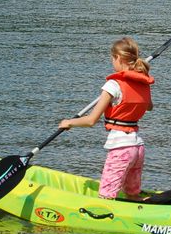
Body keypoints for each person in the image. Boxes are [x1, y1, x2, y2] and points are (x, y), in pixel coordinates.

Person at [59, 37, 154, 200]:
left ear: (118, 58)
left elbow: (91, 120)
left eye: (112, 58)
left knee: (106, 197)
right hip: (138, 147)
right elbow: (149, 106)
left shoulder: (113, 85)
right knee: (133, 195)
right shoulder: (143, 83)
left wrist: (69, 122)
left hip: (121, 148)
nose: (112, 62)